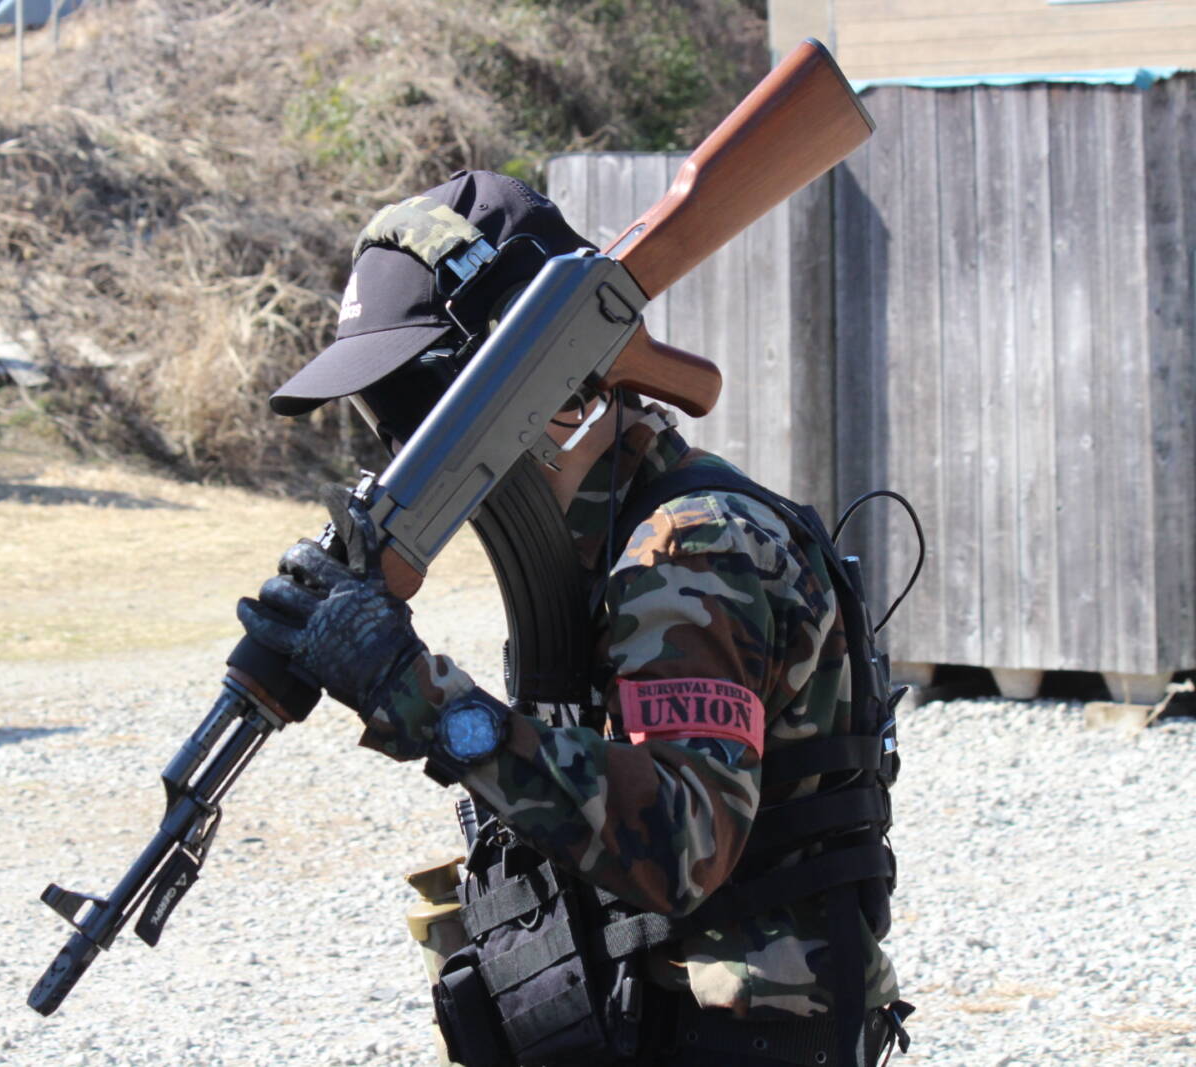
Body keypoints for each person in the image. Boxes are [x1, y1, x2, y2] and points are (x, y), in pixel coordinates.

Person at [238, 170, 911, 1066]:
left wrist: (421, 698)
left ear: (530, 374)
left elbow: (680, 841)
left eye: (417, 402)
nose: (404, 444)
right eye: (384, 413)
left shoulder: (689, 548)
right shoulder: (604, 546)